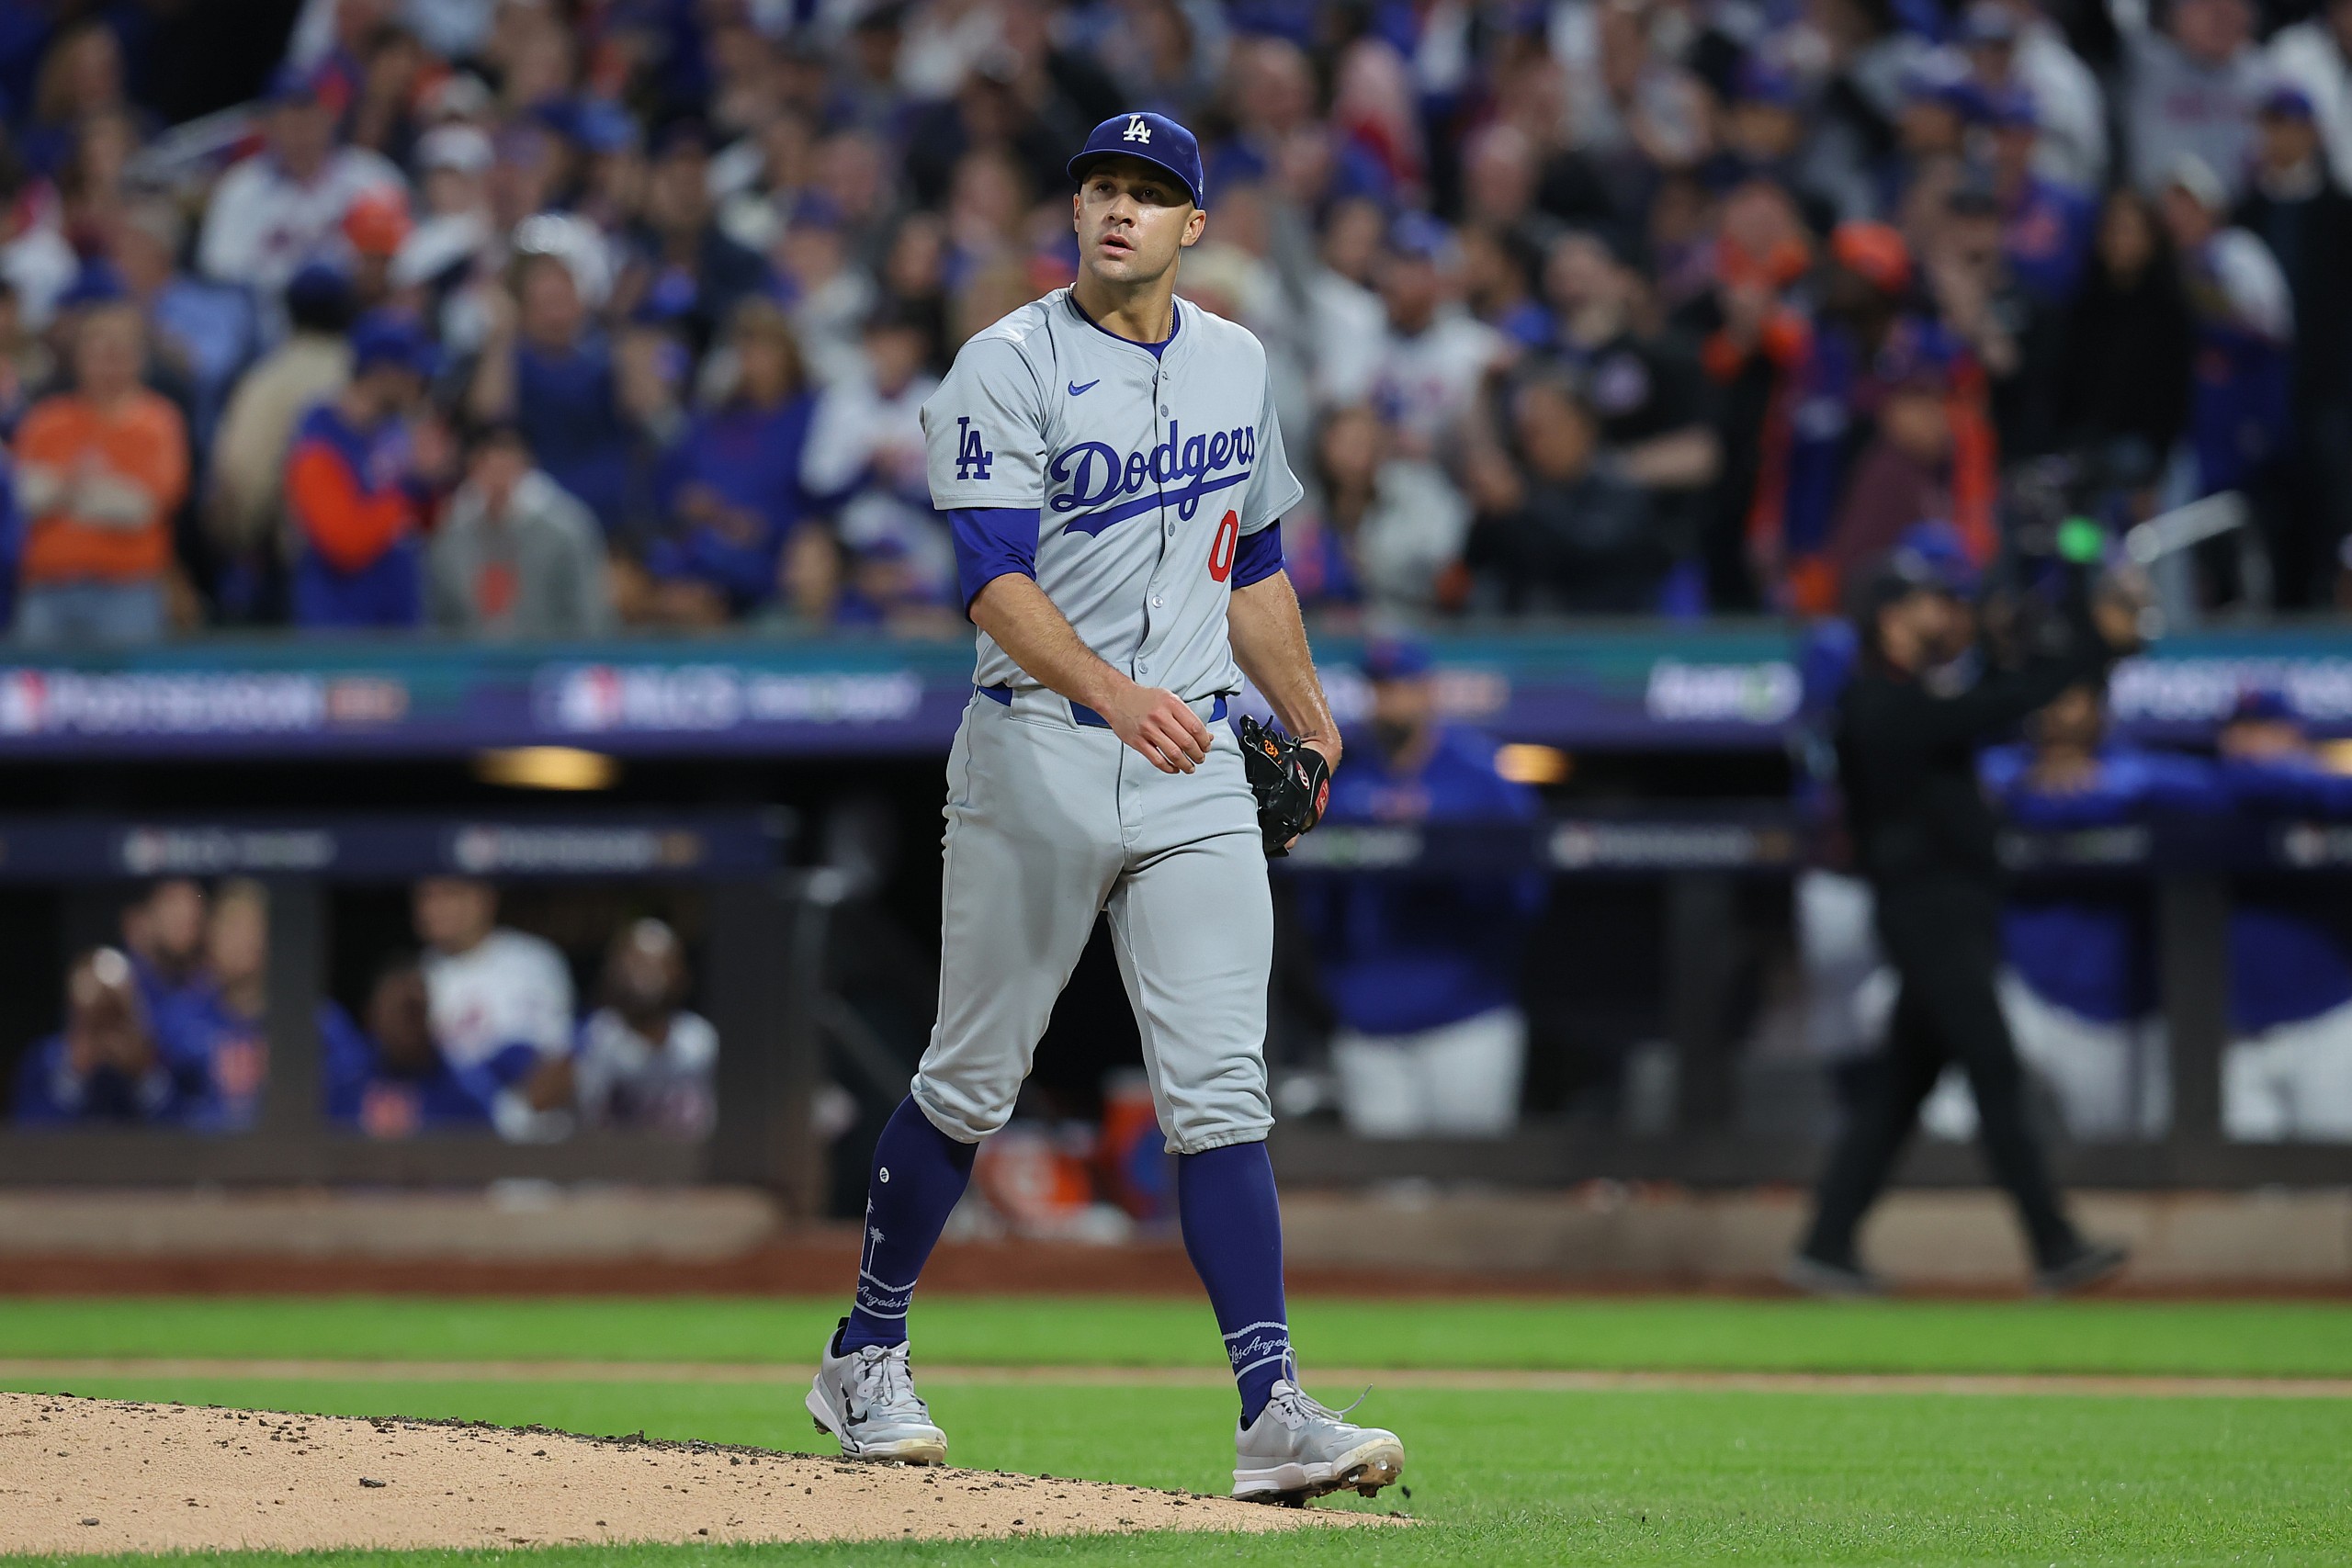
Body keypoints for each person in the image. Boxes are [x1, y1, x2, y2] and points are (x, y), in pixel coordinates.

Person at [807, 111, 1404, 1506]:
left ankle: (1272, 1406)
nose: (1119, 210)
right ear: (1074, 214)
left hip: (1192, 754)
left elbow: (1247, 559)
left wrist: (1312, 714)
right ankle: (865, 1347)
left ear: (1196, 226)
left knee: (1221, 1089)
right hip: (1039, 749)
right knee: (971, 1077)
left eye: (1149, 194)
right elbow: (993, 583)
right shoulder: (1005, 364)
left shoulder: (1239, 361)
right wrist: (1116, 689)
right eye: (1101, 189)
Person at [1784, 537, 2142, 1295]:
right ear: (1889, 615)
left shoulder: (1915, 693)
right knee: (1995, 1069)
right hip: (1924, 913)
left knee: (1897, 1091)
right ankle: (2053, 1243)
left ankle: (1824, 1241)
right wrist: (2085, 646)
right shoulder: (1874, 702)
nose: (1946, 613)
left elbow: (1997, 685)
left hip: (1952, 911)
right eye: (1928, 603)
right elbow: (2000, 701)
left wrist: (2067, 589)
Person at [1293, 638, 1544, 1137]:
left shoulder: (1479, 776)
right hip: (1369, 1027)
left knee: (1473, 1192)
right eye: (1379, 688)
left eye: (1401, 686)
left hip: (1467, 1023)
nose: (1389, 700)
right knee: (1389, 1200)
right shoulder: (1344, 778)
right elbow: (1314, 903)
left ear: (1428, 691)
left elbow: (1527, 891)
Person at [2211, 692, 2352, 1141]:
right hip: (2235, 1036)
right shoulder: (2215, 800)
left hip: (2327, 1025)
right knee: (2248, 1196)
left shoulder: (2330, 800)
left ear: (2295, 734)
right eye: (2240, 729)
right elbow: (2242, 783)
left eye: (2265, 728)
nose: (2249, 742)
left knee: (2336, 1182)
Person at [11, 299, 188, 645]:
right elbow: (23, 498)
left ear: (139, 358)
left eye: (118, 351)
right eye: (98, 350)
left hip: (127, 590)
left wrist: (62, 490)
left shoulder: (158, 422)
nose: (108, 362)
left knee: (128, 695)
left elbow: (143, 508)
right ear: (79, 357)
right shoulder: (46, 421)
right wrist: (98, 490)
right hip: (48, 589)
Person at [284, 311, 437, 628]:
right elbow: (343, 542)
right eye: (410, 373)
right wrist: (408, 489)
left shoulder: (392, 432)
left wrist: (432, 484)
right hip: (341, 633)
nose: (419, 383)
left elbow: (420, 527)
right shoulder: (319, 441)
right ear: (382, 374)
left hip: (396, 626)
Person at [411, 876, 576, 1141]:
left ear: (484, 899)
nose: (433, 908)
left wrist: (506, 1116)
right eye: (426, 897)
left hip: (535, 1143)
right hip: (453, 1145)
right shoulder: (414, 979)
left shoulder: (533, 961)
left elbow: (560, 1064)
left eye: (448, 895)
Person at [427, 423, 613, 638]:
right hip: (468, 666)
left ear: (525, 467)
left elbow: (589, 617)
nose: (497, 480)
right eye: (487, 467)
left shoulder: (566, 532)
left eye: (506, 468)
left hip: (551, 662)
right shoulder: (451, 535)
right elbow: (438, 619)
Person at [567, 919, 718, 1137]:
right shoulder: (594, 1036)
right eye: (636, 963)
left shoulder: (700, 1040)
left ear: (681, 974)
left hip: (688, 1164)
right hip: (608, 1164)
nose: (645, 976)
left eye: (658, 964)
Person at [322, 960, 495, 1137]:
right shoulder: (338, 1084)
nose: (409, 1025)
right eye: (401, 1011)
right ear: (371, 1016)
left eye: (417, 1011)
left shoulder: (465, 1094)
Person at [13, 948, 175, 1125]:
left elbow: (185, 1136)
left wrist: (144, 1077)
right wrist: (74, 1075)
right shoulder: (43, 1060)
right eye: (94, 1018)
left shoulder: (160, 1055)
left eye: (115, 1015)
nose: (105, 1031)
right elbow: (28, 1137)